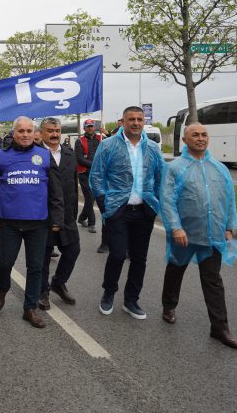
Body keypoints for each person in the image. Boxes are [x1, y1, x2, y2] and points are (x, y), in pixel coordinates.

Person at [160, 124, 237, 349]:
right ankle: (169, 305)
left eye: (204, 135)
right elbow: (167, 200)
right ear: (185, 140)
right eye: (194, 135)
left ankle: (220, 328)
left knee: (213, 280)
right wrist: (176, 227)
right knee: (176, 270)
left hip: (212, 234)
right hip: (184, 235)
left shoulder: (220, 168)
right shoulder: (175, 168)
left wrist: (229, 226)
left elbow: (229, 198)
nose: (200, 138)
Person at [90, 106, 163, 320]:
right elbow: (96, 177)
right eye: (131, 119)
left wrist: (156, 203)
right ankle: (109, 292)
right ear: (122, 121)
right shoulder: (108, 145)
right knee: (118, 254)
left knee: (139, 258)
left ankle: (131, 300)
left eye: (140, 119)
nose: (136, 123)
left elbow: (160, 177)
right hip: (117, 210)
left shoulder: (152, 148)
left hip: (144, 210)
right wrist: (105, 206)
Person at [0, 117, 63, 329]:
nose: (25, 134)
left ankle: (29, 308)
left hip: (38, 222)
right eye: (21, 131)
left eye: (29, 130)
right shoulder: (2, 156)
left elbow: (55, 191)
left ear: (35, 133)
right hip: (9, 222)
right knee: (5, 262)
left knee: (36, 266)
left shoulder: (44, 155)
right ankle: (2, 288)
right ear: (13, 133)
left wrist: (57, 218)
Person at [37, 118, 80, 310]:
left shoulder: (70, 154)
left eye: (57, 130)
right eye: (50, 131)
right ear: (42, 132)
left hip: (67, 214)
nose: (54, 134)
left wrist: (74, 213)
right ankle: (42, 292)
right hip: (43, 214)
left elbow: (72, 182)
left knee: (73, 250)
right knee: (43, 256)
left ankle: (58, 283)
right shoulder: (34, 154)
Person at [75, 119, 102, 237]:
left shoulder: (101, 139)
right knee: (90, 198)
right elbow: (79, 158)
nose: (90, 128)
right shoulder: (79, 141)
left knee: (93, 198)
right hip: (84, 173)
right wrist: (95, 165)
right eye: (88, 126)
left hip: (97, 174)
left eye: (92, 126)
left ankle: (81, 218)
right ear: (84, 128)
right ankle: (92, 224)